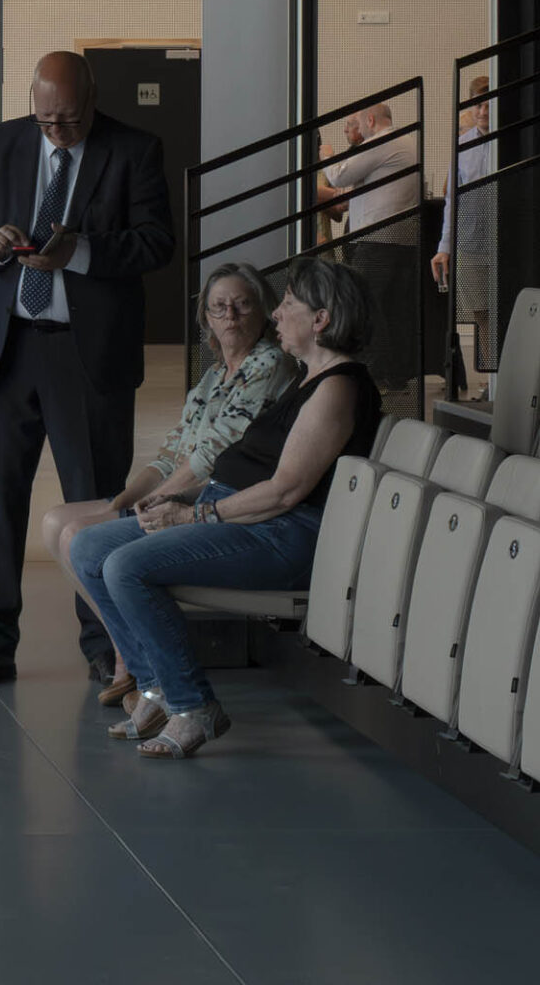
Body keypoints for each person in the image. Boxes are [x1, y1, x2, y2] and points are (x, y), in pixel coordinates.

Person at [70, 258, 382, 757]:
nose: (276, 314)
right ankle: (156, 688)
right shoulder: (308, 378)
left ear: (320, 319)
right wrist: (183, 497)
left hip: (281, 534)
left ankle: (193, 705)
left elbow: (285, 492)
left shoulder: (338, 387)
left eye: (288, 303)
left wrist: (193, 514)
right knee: (88, 548)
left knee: (125, 566)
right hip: (242, 518)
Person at [0, 50, 175, 688]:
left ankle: (105, 644)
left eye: (70, 120)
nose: (57, 131)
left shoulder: (134, 150)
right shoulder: (0, 144)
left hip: (88, 355)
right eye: (46, 120)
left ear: (93, 101)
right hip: (11, 347)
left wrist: (79, 252)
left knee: (96, 506)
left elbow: (157, 240)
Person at [43, 261, 300, 704]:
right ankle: (129, 649)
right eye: (219, 307)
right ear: (206, 318)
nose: (231, 316)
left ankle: (132, 662)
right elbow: (170, 455)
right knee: (54, 523)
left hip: (212, 497)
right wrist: (121, 502)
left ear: (263, 311)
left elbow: (209, 456)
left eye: (242, 305)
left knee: (77, 535)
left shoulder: (269, 363)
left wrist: (152, 502)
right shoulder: (213, 375)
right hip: (182, 488)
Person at [316, 99, 424, 398]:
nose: (358, 130)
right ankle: (395, 375)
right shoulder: (406, 142)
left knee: (365, 305)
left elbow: (339, 175)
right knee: (392, 309)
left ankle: (374, 375)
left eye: (358, 123)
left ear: (371, 121)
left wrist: (327, 155)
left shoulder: (382, 141)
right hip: (400, 241)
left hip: (377, 240)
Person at [435, 76, 493, 386]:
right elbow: (451, 200)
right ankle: (491, 378)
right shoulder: (462, 144)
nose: (483, 111)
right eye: (478, 105)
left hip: (504, 242)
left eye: (489, 104)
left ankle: (506, 378)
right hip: (470, 242)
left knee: (506, 309)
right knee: (481, 312)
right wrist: (444, 246)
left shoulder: (512, 139)